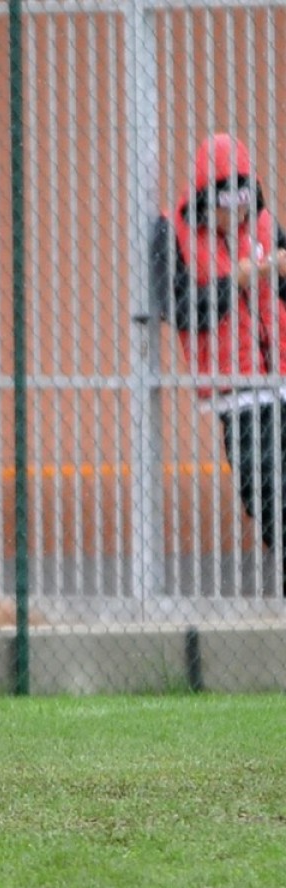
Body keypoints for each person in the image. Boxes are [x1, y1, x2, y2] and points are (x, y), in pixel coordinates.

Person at [152, 133, 286, 589]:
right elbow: (180, 309)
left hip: (282, 376)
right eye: (225, 205)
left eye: (244, 204)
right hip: (239, 393)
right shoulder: (173, 232)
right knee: (266, 492)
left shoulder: (267, 226)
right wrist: (235, 282)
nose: (237, 215)